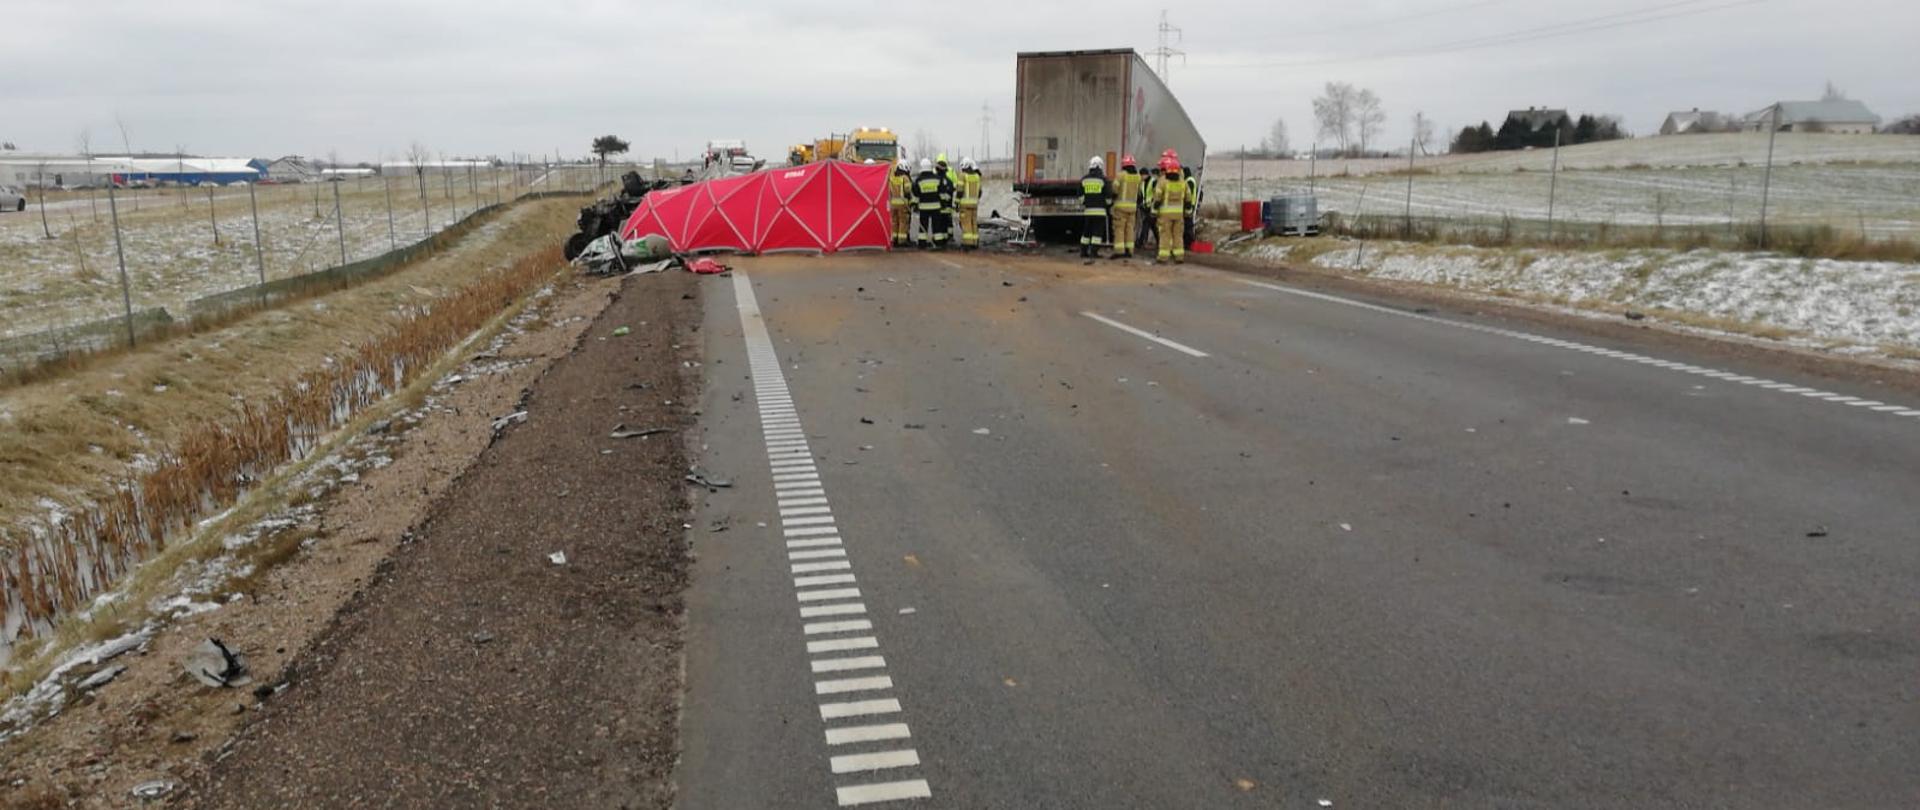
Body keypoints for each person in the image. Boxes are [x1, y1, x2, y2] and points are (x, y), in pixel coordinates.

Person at [1152, 156, 1188, 264]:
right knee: (1178, 235)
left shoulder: (1162, 181)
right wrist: (1187, 212)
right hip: (1179, 214)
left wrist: (1154, 211)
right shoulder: (1183, 182)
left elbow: (1157, 198)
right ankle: (1179, 256)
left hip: (1165, 214)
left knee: (1165, 235)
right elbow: (1189, 198)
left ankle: (1163, 257)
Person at [913, 158, 952, 250]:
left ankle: (922, 243)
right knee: (937, 226)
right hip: (936, 207)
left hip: (923, 208)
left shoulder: (918, 180)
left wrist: (914, 205)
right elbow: (942, 193)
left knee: (923, 226)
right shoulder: (937, 178)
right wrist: (943, 204)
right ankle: (939, 243)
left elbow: (916, 195)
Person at [1109, 155, 1142, 259]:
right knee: (1130, 229)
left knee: (1119, 229)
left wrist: (1112, 199)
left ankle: (1120, 251)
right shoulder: (1138, 177)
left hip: (1120, 208)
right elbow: (1140, 193)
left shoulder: (1121, 175)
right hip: (1132, 208)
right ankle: (1129, 250)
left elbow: (1115, 188)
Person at [1078, 156, 1111, 262]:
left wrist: (1085, 203)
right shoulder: (1104, 180)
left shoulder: (1084, 179)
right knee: (1097, 233)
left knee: (1086, 232)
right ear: (1100, 166)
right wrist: (1107, 205)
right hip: (1100, 212)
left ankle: (1083, 251)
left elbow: (1080, 195)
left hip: (1088, 211)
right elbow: (1108, 196)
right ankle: (1094, 252)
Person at [956, 157, 983, 250]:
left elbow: (959, 191)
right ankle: (975, 242)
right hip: (974, 205)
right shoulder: (977, 177)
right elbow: (980, 192)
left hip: (965, 205)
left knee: (966, 224)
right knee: (973, 223)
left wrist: (956, 203)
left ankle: (968, 243)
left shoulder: (962, 176)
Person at [935, 154, 959, 244]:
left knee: (940, 223)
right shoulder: (951, 172)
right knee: (948, 221)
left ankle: (940, 240)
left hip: (938, 205)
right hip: (948, 202)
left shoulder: (935, 176)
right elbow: (955, 185)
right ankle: (949, 237)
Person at [888, 159, 913, 247]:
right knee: (903, 222)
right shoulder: (905, 178)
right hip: (902, 204)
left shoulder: (892, 178)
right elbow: (908, 190)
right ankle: (902, 241)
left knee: (894, 221)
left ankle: (894, 239)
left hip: (893, 204)